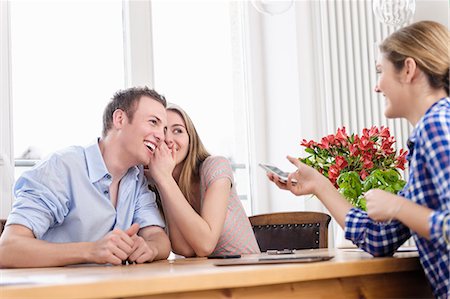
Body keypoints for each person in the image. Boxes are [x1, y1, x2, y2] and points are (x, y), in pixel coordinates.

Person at [267, 21, 449, 298]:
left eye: (381, 72)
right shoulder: (429, 133)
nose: (377, 87)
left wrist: (398, 206)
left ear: (409, 69)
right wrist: (320, 185)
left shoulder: (438, 126)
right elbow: (378, 239)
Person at [0, 87, 171, 267]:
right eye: (153, 122)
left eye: (164, 128)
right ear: (119, 119)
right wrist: (91, 250)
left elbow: (158, 238)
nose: (161, 136)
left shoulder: (136, 178)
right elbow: (8, 248)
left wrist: (149, 248)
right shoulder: (62, 167)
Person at [145, 104, 260, 257]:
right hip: (205, 276)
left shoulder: (216, 166)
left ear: (191, 140)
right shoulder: (160, 183)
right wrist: (163, 182)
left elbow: (205, 245)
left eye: (178, 130)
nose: (168, 139)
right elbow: (184, 249)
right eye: (162, 130)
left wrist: (165, 179)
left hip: (247, 274)